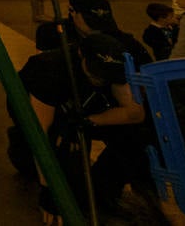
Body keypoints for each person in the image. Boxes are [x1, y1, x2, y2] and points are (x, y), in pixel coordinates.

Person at [20, 32, 155, 220]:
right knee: (59, 167)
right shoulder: (49, 69)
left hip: (85, 108)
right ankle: (21, 153)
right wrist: (49, 189)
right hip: (43, 108)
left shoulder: (116, 67)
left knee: (134, 138)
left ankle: (103, 191)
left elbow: (134, 114)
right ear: (81, 55)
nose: (100, 80)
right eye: (95, 73)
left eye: (105, 76)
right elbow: (38, 132)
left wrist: (90, 121)